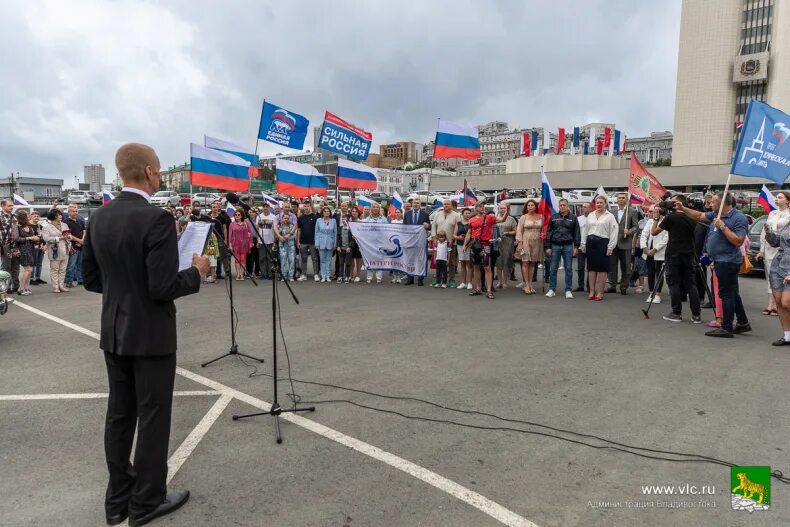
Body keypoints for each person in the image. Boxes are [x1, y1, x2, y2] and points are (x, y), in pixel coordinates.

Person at [82, 144, 209, 527]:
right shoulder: (156, 219)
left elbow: (90, 280)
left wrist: (125, 292)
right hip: (151, 335)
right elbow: (162, 286)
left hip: (115, 331)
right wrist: (197, 272)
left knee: (119, 416)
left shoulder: (99, 218)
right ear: (151, 172)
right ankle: (147, 500)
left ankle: (117, 500)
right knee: (153, 416)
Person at [674, 192, 750, 337]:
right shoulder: (715, 215)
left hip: (727, 261)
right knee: (732, 292)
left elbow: (738, 240)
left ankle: (726, 327)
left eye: (714, 201)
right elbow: (698, 216)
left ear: (724, 203)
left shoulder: (738, 218)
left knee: (726, 294)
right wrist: (683, 208)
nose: (710, 204)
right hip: (719, 259)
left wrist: (723, 227)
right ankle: (742, 322)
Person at [651, 195, 702, 324]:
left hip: (673, 253)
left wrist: (656, 219)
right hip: (689, 253)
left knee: (674, 283)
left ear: (677, 204)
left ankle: (676, 313)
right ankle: (696, 315)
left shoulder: (671, 218)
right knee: (691, 284)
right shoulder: (692, 217)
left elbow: (654, 232)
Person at [580, 195, 618, 301]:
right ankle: (592, 291)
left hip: (603, 243)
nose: (599, 204)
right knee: (591, 269)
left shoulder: (609, 216)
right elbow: (585, 230)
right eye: (597, 203)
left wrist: (611, 247)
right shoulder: (590, 215)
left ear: (605, 204)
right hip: (590, 243)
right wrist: (583, 244)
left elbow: (614, 231)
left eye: (601, 202)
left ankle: (600, 292)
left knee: (602, 269)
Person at [758, 191, 790, 316]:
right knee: (771, 278)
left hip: (784, 250)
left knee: (784, 278)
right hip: (771, 249)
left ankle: (779, 304)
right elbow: (764, 232)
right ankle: (771, 304)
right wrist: (761, 250)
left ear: (787, 201)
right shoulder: (772, 213)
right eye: (776, 197)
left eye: (780, 197)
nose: (776, 199)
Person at [545, 198, 580, 299]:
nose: (562, 207)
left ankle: (568, 290)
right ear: (558, 206)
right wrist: (548, 246)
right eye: (560, 205)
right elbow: (549, 233)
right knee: (553, 268)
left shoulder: (573, 218)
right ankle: (552, 289)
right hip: (555, 245)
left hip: (568, 246)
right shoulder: (554, 217)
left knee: (568, 269)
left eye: (564, 205)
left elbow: (577, 233)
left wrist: (576, 247)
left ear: (567, 206)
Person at [463, 201, 497, 299]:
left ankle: (489, 290)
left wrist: (506, 212)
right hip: (474, 245)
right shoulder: (472, 219)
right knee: (476, 267)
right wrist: (465, 244)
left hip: (485, 244)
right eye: (480, 206)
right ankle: (478, 288)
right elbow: (469, 232)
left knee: (487, 267)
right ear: (476, 208)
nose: (483, 208)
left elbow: (501, 219)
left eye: (483, 206)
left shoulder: (489, 217)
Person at [607, 193, 638, 294]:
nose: (621, 199)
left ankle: (624, 287)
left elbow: (636, 227)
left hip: (625, 243)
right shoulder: (611, 212)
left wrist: (628, 231)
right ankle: (612, 285)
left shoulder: (632, 211)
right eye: (619, 198)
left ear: (626, 199)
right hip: (613, 242)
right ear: (616, 199)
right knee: (612, 266)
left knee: (626, 267)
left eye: (623, 198)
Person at [640, 206, 668, 304]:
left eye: (656, 211)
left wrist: (655, 249)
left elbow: (666, 238)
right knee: (650, 272)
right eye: (653, 211)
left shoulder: (666, 221)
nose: (654, 213)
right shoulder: (650, 221)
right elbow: (644, 235)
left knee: (659, 273)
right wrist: (644, 247)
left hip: (659, 251)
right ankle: (651, 292)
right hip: (648, 251)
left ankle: (657, 294)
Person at [515, 200, 543, 295]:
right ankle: (526, 284)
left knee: (532, 263)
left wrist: (543, 234)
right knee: (525, 262)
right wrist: (519, 242)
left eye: (532, 205)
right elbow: (519, 230)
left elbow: (544, 229)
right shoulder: (523, 217)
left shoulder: (540, 216)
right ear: (526, 207)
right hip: (525, 241)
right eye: (529, 205)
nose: (530, 207)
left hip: (537, 242)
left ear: (535, 206)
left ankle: (530, 284)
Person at [430, 200, 461, 287]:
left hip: (451, 242)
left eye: (448, 204)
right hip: (439, 242)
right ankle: (437, 279)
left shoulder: (456, 215)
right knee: (438, 261)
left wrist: (454, 239)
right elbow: (433, 227)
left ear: (452, 206)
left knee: (451, 262)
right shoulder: (437, 214)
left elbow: (458, 227)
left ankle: (451, 279)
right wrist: (434, 238)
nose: (446, 205)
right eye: (445, 204)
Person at [42, 209, 70, 293]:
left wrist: (69, 237)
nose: (61, 216)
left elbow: (70, 235)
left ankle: (61, 285)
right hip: (55, 250)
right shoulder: (46, 227)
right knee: (55, 269)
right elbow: (46, 238)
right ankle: (55, 287)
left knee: (63, 269)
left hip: (65, 248)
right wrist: (60, 238)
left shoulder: (64, 225)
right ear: (54, 217)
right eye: (58, 215)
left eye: (60, 215)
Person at [403, 198, 430, 286]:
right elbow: (404, 227)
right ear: (412, 204)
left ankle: (420, 278)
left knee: (421, 259)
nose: (415, 204)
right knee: (410, 259)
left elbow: (429, 226)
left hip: (421, 241)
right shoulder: (407, 214)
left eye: (417, 203)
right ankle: (410, 278)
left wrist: (427, 226)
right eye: (414, 203)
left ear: (420, 205)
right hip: (410, 241)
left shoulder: (425, 214)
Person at [362, 202, 388, 283]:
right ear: (371, 209)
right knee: (369, 259)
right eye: (374, 207)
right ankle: (369, 276)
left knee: (379, 258)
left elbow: (387, 230)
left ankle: (379, 276)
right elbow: (362, 230)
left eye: (377, 207)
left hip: (380, 242)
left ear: (379, 209)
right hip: (370, 242)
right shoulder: (367, 219)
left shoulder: (383, 219)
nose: (375, 209)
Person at [13, 211, 38, 296]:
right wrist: (30, 238)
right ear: (24, 217)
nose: (29, 216)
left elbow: (33, 236)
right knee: (28, 269)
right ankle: (20, 288)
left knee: (29, 269)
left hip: (30, 249)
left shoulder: (29, 226)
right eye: (28, 215)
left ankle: (26, 287)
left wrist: (36, 239)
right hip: (22, 250)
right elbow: (16, 239)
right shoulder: (17, 226)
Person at [494, 202, 517, 289]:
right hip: (497, 242)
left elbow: (515, 231)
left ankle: (505, 282)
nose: (502, 210)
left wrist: (507, 232)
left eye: (504, 208)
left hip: (508, 241)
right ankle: (499, 281)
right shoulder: (495, 218)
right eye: (501, 208)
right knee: (498, 261)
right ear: (498, 209)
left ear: (507, 209)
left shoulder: (511, 219)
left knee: (506, 261)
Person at [0, 198, 20, 294]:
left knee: (15, 266)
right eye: (9, 206)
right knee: (5, 267)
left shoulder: (15, 216)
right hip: (5, 245)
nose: (11, 207)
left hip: (15, 245)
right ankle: (5, 287)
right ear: (3, 206)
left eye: (12, 206)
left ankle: (16, 285)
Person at [296, 202, 320, 282]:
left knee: (314, 258)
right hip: (303, 241)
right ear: (303, 207)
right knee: (303, 258)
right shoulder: (300, 217)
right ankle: (303, 274)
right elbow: (298, 230)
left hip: (313, 241)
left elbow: (318, 230)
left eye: (308, 206)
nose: (306, 207)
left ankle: (316, 274)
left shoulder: (315, 217)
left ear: (310, 207)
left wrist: (317, 241)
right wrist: (298, 241)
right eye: (305, 206)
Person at [315, 205, 337, 282]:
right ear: (322, 213)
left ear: (330, 213)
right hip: (321, 242)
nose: (326, 213)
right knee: (322, 260)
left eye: (328, 211)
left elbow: (335, 233)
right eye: (325, 211)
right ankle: (323, 276)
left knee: (329, 260)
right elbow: (317, 232)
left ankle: (328, 275)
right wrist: (317, 243)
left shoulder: (333, 221)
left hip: (330, 243)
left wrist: (334, 244)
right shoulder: (318, 220)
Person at [228, 209, 251, 280]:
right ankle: (238, 274)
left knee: (243, 259)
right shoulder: (232, 224)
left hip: (244, 244)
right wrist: (230, 244)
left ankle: (242, 274)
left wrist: (250, 242)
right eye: (235, 215)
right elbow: (230, 235)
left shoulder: (246, 223)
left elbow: (249, 233)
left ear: (241, 216)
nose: (237, 216)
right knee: (237, 259)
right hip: (235, 244)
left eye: (238, 215)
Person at [574, 202, 592, 292]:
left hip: (591, 246)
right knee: (580, 267)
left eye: (585, 207)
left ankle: (590, 285)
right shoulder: (578, 219)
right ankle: (580, 285)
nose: (583, 209)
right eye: (582, 207)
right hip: (581, 246)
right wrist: (576, 246)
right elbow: (576, 233)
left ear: (590, 208)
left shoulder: (593, 218)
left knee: (590, 267)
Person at [256, 203, 277, 279]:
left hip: (270, 240)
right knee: (262, 258)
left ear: (269, 208)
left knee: (270, 258)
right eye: (264, 207)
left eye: (267, 207)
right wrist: (258, 241)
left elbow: (275, 230)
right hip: (261, 241)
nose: (265, 208)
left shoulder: (273, 217)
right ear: (262, 208)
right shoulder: (259, 217)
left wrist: (274, 241)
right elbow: (257, 229)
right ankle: (263, 274)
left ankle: (270, 274)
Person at [454, 208, 473, 289]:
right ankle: (463, 282)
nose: (468, 214)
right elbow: (454, 235)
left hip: (470, 245)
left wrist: (468, 238)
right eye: (466, 213)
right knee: (462, 264)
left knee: (469, 264)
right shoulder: (458, 223)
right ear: (462, 214)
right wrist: (459, 237)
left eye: (469, 213)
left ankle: (469, 282)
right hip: (460, 245)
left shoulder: (472, 223)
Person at [277, 213, 297, 281]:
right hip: (282, 246)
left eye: (287, 218)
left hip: (290, 245)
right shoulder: (279, 226)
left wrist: (288, 237)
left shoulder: (292, 226)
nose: (286, 219)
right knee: (283, 261)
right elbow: (277, 235)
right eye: (285, 218)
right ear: (282, 219)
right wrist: (281, 236)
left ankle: (290, 276)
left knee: (291, 260)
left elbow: (294, 235)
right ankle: (284, 276)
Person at [29, 211, 46, 285]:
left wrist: (44, 244)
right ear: (31, 216)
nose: (36, 217)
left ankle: (38, 277)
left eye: (37, 216)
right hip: (32, 247)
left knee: (39, 263)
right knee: (33, 263)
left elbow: (43, 236)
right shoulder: (29, 226)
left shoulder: (40, 226)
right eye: (35, 216)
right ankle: (32, 278)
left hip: (40, 247)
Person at [337, 207, 353, 283]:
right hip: (341, 249)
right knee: (341, 263)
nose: (344, 220)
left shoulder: (351, 229)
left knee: (347, 263)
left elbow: (353, 239)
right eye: (343, 219)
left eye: (345, 219)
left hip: (348, 249)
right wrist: (338, 246)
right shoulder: (340, 228)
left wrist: (349, 246)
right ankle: (340, 276)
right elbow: (338, 238)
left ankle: (346, 276)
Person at [348, 207, 363, 282]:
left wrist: (357, 236)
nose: (354, 213)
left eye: (355, 211)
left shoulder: (361, 222)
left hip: (358, 243)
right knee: (351, 259)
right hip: (350, 242)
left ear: (358, 213)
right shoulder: (348, 221)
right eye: (353, 211)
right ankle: (351, 274)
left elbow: (363, 233)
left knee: (358, 259)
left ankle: (358, 275)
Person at [245, 209, 260, 279]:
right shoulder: (246, 221)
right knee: (249, 257)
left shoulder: (258, 220)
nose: (251, 214)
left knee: (257, 257)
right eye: (250, 212)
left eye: (253, 212)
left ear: (255, 213)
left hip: (256, 239)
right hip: (248, 240)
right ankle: (249, 272)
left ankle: (257, 272)